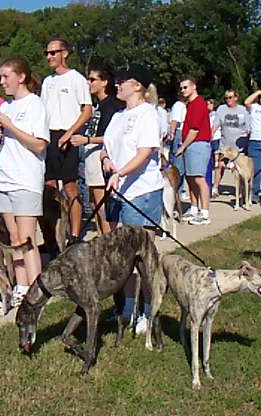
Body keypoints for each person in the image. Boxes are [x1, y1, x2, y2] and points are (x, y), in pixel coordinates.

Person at [100, 64, 164, 334]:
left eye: (123, 80)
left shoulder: (147, 115)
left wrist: (121, 172)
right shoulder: (117, 115)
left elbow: (145, 152)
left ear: (137, 86)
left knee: (142, 259)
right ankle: (127, 307)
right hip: (117, 192)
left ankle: (148, 311)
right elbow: (106, 146)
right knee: (121, 258)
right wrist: (105, 160)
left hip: (142, 192)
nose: (117, 84)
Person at [0, 58, 49, 307]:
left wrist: (11, 127)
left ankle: (37, 290)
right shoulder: (6, 107)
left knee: (26, 238)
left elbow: (39, 144)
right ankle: (21, 286)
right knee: (13, 237)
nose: (1, 82)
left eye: (5, 77)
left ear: (21, 77)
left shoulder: (35, 105)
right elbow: (1, 144)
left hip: (26, 178)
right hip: (4, 179)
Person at [40, 37, 92, 244]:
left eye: (53, 52)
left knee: (70, 187)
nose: (49, 57)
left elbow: (87, 110)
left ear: (65, 53)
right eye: (47, 53)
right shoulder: (47, 81)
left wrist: (70, 134)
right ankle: (52, 236)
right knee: (49, 187)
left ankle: (75, 234)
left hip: (68, 135)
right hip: (50, 136)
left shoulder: (76, 79)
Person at [70, 62, 123, 234]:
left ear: (104, 82)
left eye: (93, 79)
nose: (89, 83)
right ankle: (102, 238)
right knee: (94, 203)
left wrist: (87, 139)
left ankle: (108, 242)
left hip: (100, 155)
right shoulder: (99, 105)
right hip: (90, 157)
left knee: (102, 206)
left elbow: (112, 136)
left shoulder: (112, 105)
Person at [176, 76, 212, 225]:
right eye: (182, 88)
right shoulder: (190, 104)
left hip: (198, 144)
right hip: (190, 144)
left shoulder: (198, 103)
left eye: (186, 87)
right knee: (190, 178)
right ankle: (194, 208)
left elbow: (195, 129)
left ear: (194, 87)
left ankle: (204, 213)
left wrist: (183, 146)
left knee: (199, 178)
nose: (183, 90)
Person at [212, 89, 249, 196]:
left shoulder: (243, 110)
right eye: (226, 98)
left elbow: (248, 127)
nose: (228, 100)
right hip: (225, 144)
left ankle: (242, 190)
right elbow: (215, 125)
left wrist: (247, 136)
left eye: (230, 97)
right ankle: (215, 187)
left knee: (240, 169)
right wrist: (211, 134)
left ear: (236, 98)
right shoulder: (221, 109)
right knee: (220, 165)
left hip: (239, 146)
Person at [168, 93, 187, 198]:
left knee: (182, 165)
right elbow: (175, 120)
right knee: (178, 165)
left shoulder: (184, 105)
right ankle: (176, 192)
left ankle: (180, 190)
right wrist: (172, 133)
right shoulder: (178, 105)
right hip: (179, 134)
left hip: (183, 133)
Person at [205, 98, 221, 192]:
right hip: (207, 140)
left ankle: (215, 186)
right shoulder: (205, 114)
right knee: (208, 163)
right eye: (207, 103)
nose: (208, 105)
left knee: (217, 164)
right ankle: (208, 184)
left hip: (216, 138)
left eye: (210, 103)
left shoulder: (216, 115)